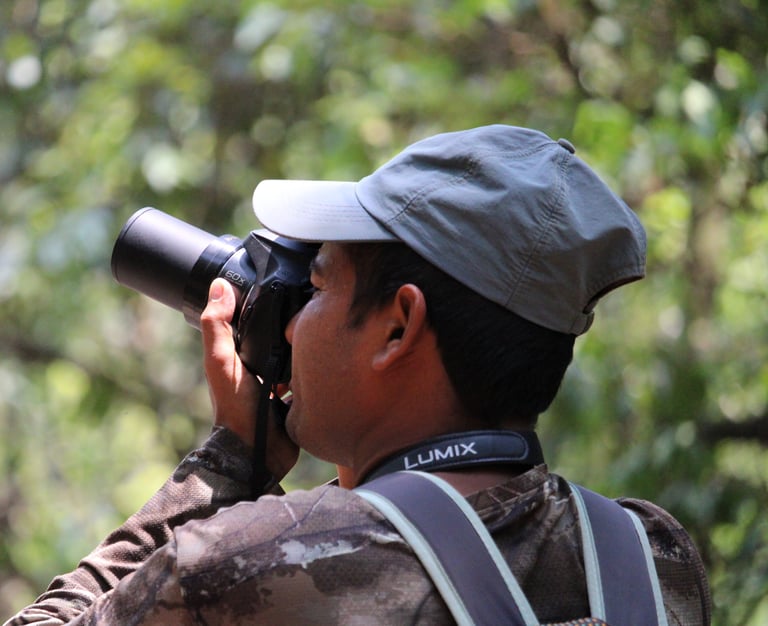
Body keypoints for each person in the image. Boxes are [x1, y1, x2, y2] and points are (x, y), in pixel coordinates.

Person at [6, 125, 711, 625]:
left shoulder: (252, 563)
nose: (288, 325)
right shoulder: (651, 557)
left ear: (399, 326)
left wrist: (227, 462)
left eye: (314, 288)